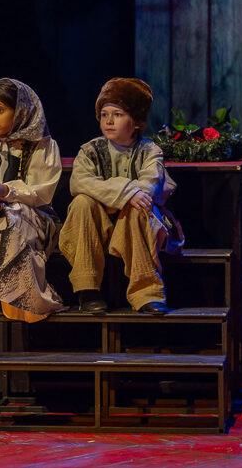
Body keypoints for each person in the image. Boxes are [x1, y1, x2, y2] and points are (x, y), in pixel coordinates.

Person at [0, 78, 66, 344]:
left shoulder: (42, 145)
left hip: (39, 221)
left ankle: (13, 292)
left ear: (21, 111)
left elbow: (42, 194)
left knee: (10, 214)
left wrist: (6, 191)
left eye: (0, 109)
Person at [59, 77, 176, 315]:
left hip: (135, 226)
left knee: (139, 206)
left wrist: (128, 196)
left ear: (136, 122)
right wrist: (127, 191)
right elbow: (80, 182)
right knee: (82, 202)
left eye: (118, 114)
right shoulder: (90, 150)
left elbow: (150, 186)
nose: (109, 121)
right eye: (104, 115)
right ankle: (88, 289)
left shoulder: (149, 151)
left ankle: (146, 293)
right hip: (96, 226)